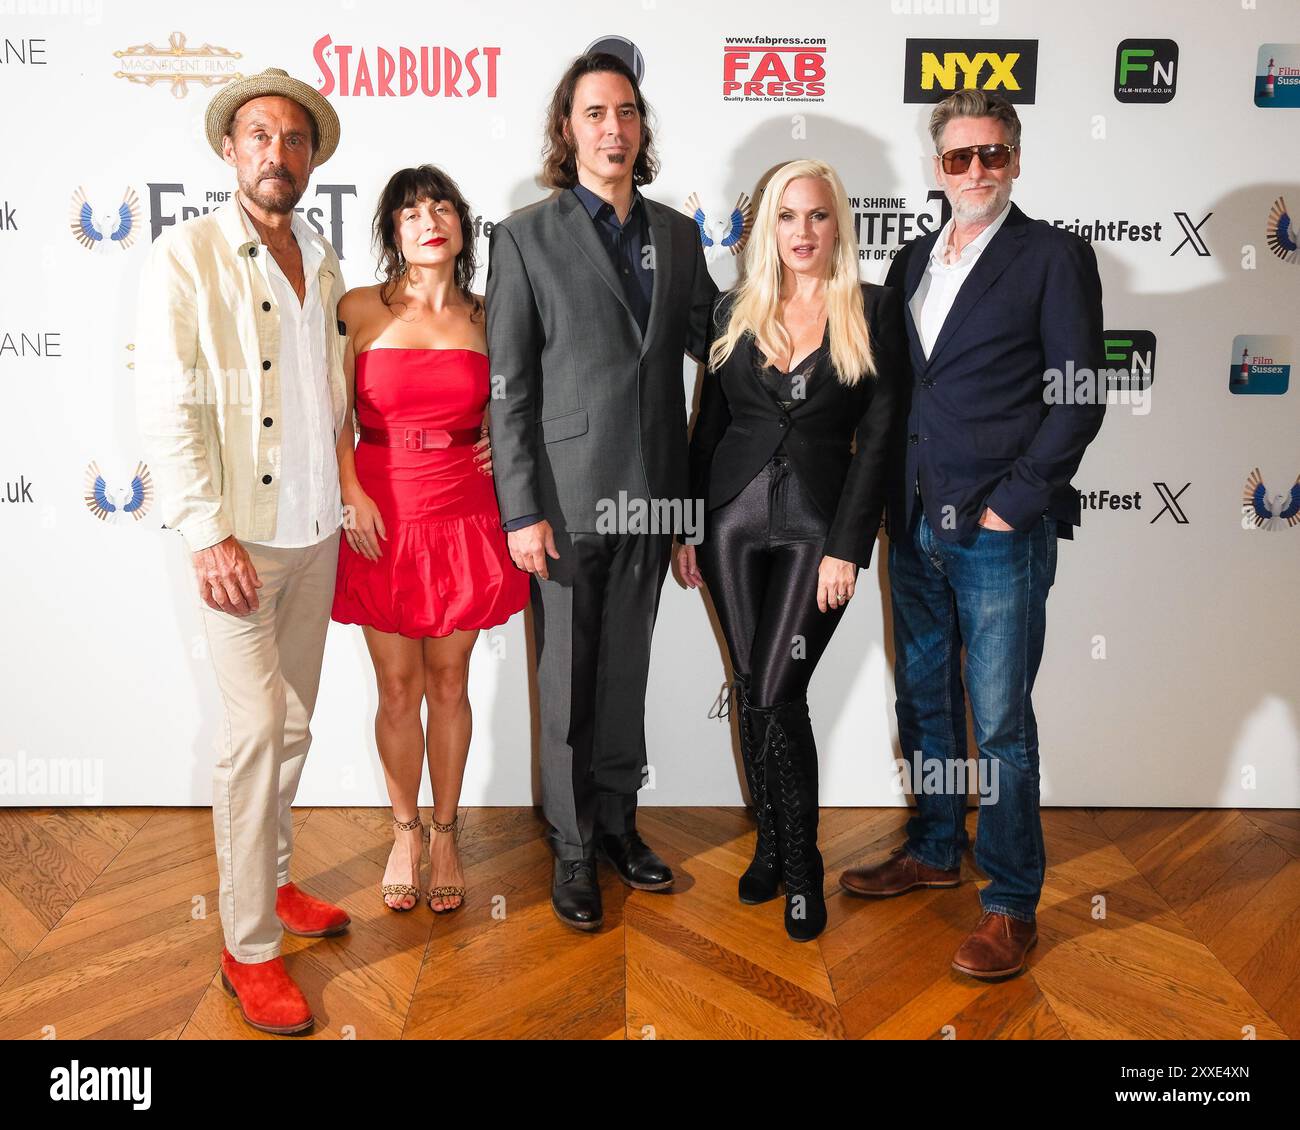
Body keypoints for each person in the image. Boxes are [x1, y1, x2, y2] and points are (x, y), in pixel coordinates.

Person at [838, 90, 1106, 979]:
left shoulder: (1053, 257)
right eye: (959, 158)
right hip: (912, 525)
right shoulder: (913, 259)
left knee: (1000, 726)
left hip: (998, 531)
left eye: (992, 154)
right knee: (925, 701)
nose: (976, 171)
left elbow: (1077, 396)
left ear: (1016, 159)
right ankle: (935, 845)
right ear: (938, 166)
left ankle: (1010, 904)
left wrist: (1013, 504)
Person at [136, 68, 351, 1035]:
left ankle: (271, 883)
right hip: (241, 543)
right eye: (259, 136)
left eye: (294, 139)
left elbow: (335, 397)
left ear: (310, 159)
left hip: (314, 537)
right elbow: (167, 403)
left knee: (294, 727)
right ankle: (248, 947)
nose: (277, 153)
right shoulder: (186, 257)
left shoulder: (325, 256)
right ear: (231, 150)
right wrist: (202, 529)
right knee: (254, 734)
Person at [485, 52, 717, 931]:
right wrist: (520, 510)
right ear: (567, 129)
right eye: (593, 114)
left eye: (625, 112)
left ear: (641, 128)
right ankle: (574, 848)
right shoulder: (523, 237)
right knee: (568, 682)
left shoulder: (679, 235)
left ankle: (620, 824)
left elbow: (717, 352)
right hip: (566, 503)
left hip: (654, 501)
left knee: (627, 675)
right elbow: (509, 386)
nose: (612, 128)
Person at [679, 159, 906, 942]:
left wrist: (848, 546)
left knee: (777, 689)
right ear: (766, 226)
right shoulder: (732, 311)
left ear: (837, 223)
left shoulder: (872, 309)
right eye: (786, 216)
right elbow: (707, 425)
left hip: (818, 527)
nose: (802, 232)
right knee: (752, 687)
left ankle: (802, 866)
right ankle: (770, 846)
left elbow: (878, 440)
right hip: (729, 524)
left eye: (816, 216)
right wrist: (683, 524)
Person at [331, 165, 528, 914]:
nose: (429, 221)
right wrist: (351, 493)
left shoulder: (491, 315)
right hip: (382, 510)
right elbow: (331, 414)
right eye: (411, 212)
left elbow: (528, 399)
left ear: (461, 225)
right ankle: (404, 830)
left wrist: (505, 446)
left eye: (442, 207)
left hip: (463, 511)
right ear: (393, 232)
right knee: (396, 686)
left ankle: (447, 832)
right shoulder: (358, 310)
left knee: (449, 681)